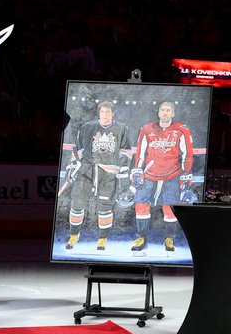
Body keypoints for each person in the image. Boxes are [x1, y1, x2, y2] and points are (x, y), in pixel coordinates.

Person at [59, 100, 134, 252]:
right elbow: (78, 149)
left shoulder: (121, 129)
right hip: (86, 169)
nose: (105, 114)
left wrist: (123, 169)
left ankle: (102, 239)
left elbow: (126, 151)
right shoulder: (87, 127)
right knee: (77, 204)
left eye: (108, 112)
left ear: (113, 113)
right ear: (99, 112)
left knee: (105, 208)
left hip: (108, 173)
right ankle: (74, 235)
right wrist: (73, 166)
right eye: (102, 111)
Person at [129, 101, 196, 253]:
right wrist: (137, 170)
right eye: (162, 110)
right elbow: (140, 152)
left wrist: (186, 173)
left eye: (168, 110)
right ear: (158, 113)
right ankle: (142, 238)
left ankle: (169, 239)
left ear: (173, 114)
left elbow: (188, 153)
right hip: (149, 174)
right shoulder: (147, 129)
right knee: (141, 205)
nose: (165, 113)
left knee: (169, 207)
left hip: (172, 174)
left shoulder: (181, 130)